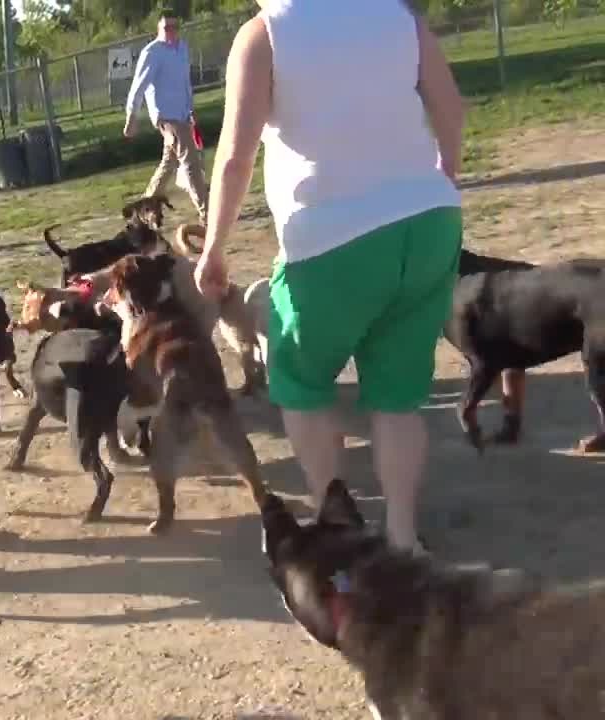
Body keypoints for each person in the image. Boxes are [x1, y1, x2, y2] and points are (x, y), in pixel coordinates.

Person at [193, 0, 465, 553]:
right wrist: (443, 180)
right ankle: (403, 537)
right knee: (397, 397)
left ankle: (335, 520)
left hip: (331, 236)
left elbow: (234, 159)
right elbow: (451, 110)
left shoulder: (264, 35)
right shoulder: (399, 16)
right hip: (429, 224)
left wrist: (214, 248)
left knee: (301, 383)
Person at [123, 12, 209, 226]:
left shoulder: (182, 48)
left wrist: (190, 109)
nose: (171, 32)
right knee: (191, 161)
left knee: (168, 163)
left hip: (181, 114)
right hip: (165, 117)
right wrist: (131, 116)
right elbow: (138, 86)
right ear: (159, 29)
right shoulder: (152, 52)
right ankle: (208, 213)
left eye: (174, 27)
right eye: (166, 28)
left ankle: (144, 209)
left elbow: (184, 82)